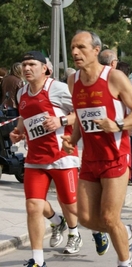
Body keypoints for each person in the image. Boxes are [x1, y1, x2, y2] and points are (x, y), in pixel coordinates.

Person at [62, 30, 132, 267]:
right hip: (90, 158)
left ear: (96, 50)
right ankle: (127, 233)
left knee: (110, 217)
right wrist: (72, 139)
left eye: (81, 47)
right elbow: (81, 117)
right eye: (72, 48)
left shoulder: (114, 77)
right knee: (86, 218)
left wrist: (118, 124)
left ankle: (124, 262)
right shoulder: (73, 81)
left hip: (116, 155)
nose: (75, 52)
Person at [10, 51, 81, 267]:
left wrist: (60, 120)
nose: (27, 68)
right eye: (24, 64)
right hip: (35, 159)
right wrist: (18, 132)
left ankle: (75, 231)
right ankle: (38, 260)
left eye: (32, 64)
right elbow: (25, 118)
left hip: (62, 156)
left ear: (45, 68)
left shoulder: (58, 89)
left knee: (70, 203)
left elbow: (81, 113)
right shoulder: (21, 92)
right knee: (33, 206)